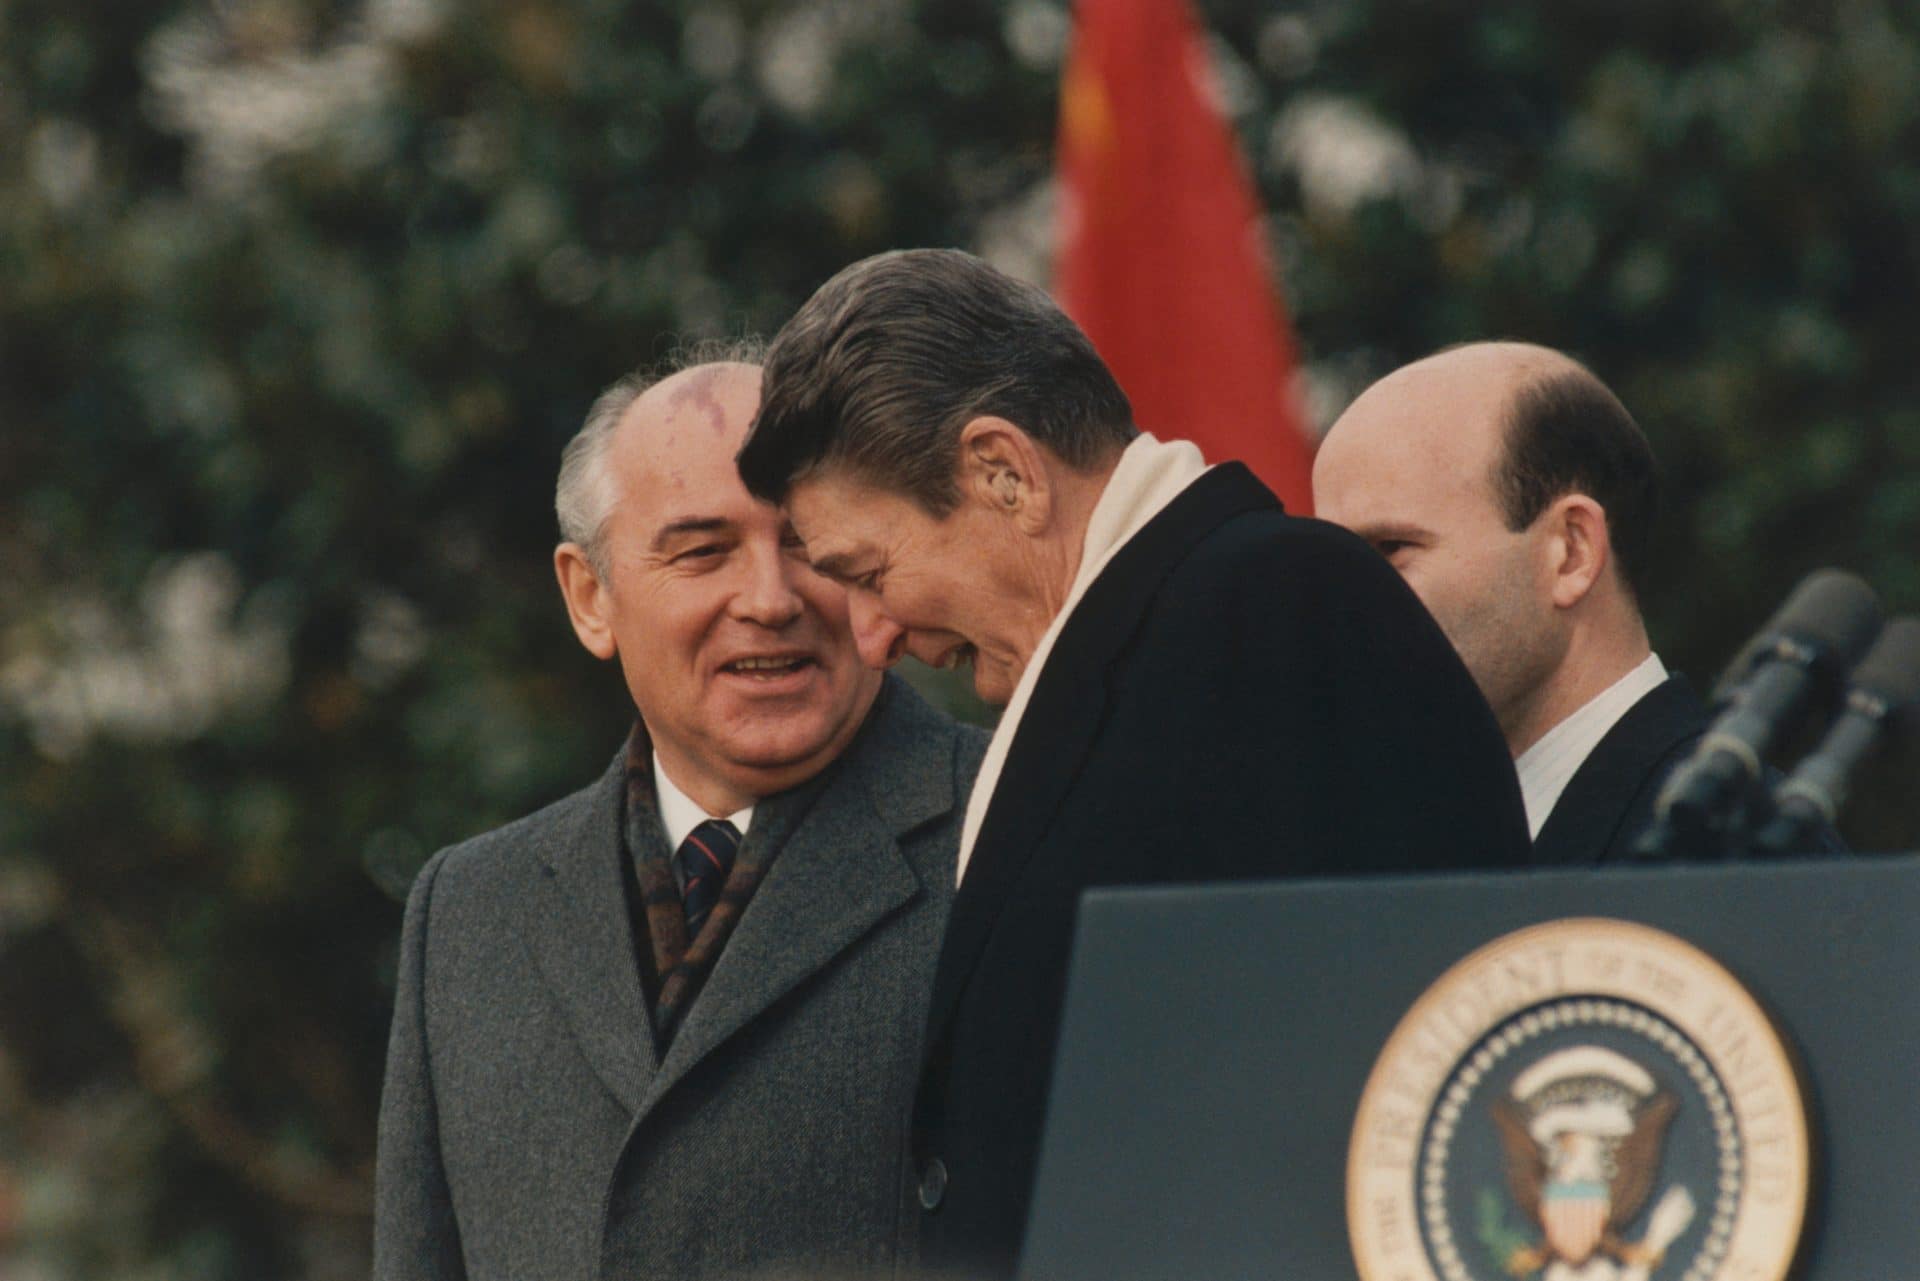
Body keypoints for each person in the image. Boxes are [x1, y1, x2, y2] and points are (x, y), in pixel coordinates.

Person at [735, 248, 1532, 1278]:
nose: (874, 636)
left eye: (869, 572)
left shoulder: (1281, 607)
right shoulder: (1156, 642)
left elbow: (1400, 1091)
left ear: (1003, 474)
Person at [373, 358, 986, 1280]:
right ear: (590, 597)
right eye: (703, 551)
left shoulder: (1017, 826)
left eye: (810, 545)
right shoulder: (468, 913)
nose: (771, 599)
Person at [1313, 340, 1777, 862]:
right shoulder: (1399, 847)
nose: (1339, 597)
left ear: (1571, 552)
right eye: (1330, 559)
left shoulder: (1737, 855)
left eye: (1391, 549)